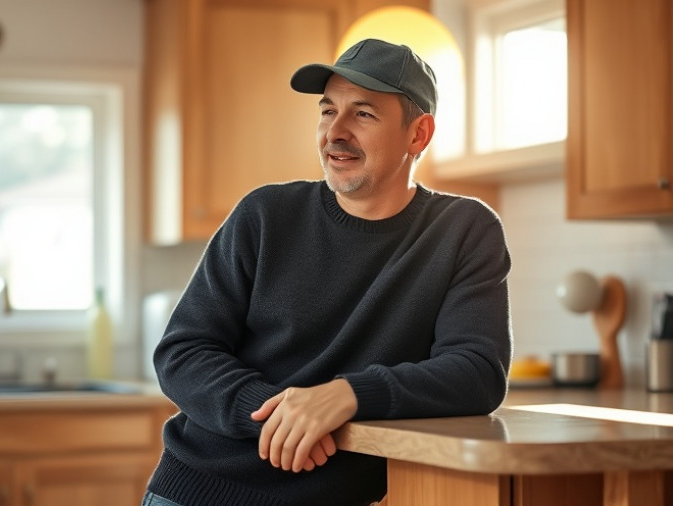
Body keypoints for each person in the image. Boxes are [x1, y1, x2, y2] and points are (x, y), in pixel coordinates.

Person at [142, 38, 513, 506]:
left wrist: (347, 395)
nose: (335, 132)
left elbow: (477, 372)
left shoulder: (463, 230)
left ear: (418, 135)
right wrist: (279, 415)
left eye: (363, 114)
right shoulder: (264, 214)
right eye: (326, 110)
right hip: (202, 492)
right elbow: (183, 351)